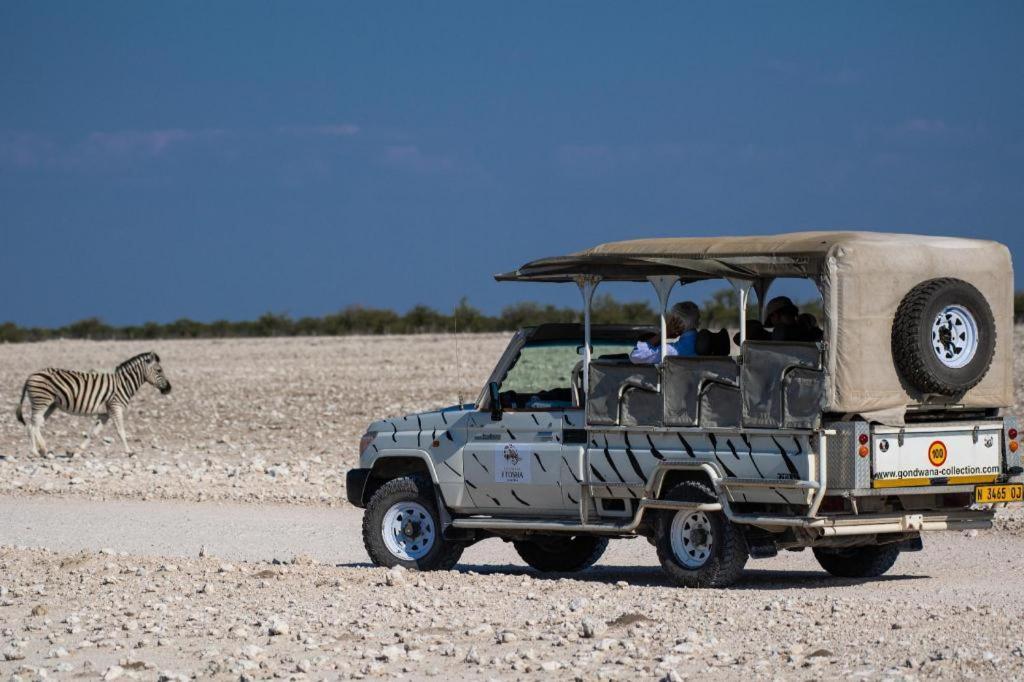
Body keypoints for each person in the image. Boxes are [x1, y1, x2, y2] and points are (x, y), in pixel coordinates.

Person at [630, 301, 700, 364]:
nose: (669, 323)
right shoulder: (697, 342)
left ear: (679, 322)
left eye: (672, 319)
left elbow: (636, 355)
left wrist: (664, 333)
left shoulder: (674, 350)